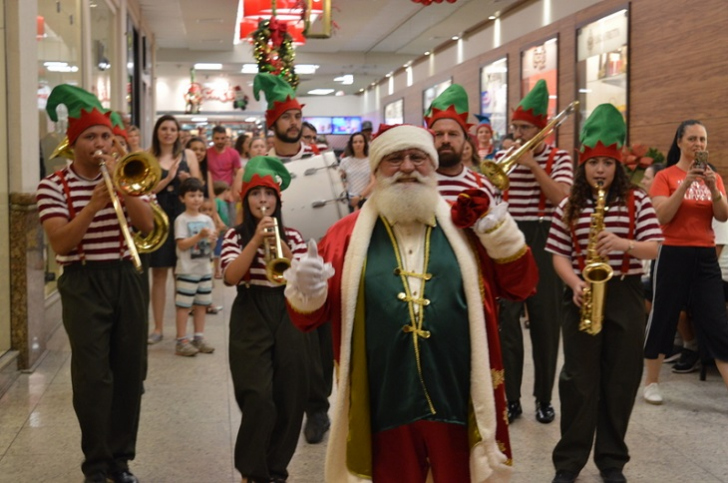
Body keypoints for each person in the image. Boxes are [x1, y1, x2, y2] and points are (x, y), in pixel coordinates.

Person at [283, 124, 539, 482]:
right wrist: (307, 290)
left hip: (458, 394)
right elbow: (308, 319)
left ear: (432, 165)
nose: (407, 167)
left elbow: (521, 287)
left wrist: (503, 237)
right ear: (375, 169)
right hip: (382, 399)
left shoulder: (465, 224)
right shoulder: (344, 235)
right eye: (394, 159)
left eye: (417, 157)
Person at [37, 84, 153, 483]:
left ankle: (121, 461)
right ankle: (96, 463)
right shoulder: (52, 186)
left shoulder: (127, 178)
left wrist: (124, 190)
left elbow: (147, 225)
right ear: (73, 143)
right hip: (83, 280)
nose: (101, 143)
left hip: (126, 276)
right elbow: (61, 242)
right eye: (91, 136)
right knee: (92, 376)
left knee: (128, 372)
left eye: (105, 135)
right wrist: (93, 206)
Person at [544, 104, 663, 483]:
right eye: (593, 163)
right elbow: (558, 254)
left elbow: (655, 247)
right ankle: (568, 463)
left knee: (621, 379)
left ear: (618, 166)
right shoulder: (569, 204)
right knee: (578, 380)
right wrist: (575, 282)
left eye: (607, 164)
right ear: (583, 165)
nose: (599, 171)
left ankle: (611, 461)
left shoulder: (638, 201)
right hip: (581, 294)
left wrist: (624, 243)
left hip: (625, 292)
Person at [221, 156, 310, 483]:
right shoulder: (234, 236)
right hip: (250, 310)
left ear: (277, 200)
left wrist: (278, 242)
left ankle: (276, 471)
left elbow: (298, 276)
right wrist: (256, 239)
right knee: (257, 395)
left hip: (287, 309)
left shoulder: (295, 236)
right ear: (246, 200)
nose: (263, 201)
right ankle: (251, 471)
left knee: (290, 397)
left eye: (268, 195)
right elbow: (230, 277)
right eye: (256, 195)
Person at [494, 79, 573, 424]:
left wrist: (533, 166)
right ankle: (511, 399)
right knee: (507, 323)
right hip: (509, 238)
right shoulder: (501, 158)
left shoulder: (560, 158)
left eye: (525, 127)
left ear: (542, 129)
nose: (519, 134)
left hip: (545, 236)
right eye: (516, 127)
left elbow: (563, 199)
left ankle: (544, 398)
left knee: (545, 322)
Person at [643, 119, 728, 404]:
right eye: (692, 139)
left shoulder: (713, 178)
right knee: (664, 315)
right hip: (672, 253)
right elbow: (662, 216)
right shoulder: (664, 176)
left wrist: (712, 188)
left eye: (702, 140)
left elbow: (723, 215)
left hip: (704, 256)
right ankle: (651, 382)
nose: (698, 145)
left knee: (717, 321)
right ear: (679, 142)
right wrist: (686, 184)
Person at [147, 115, 201, 345]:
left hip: (184, 218)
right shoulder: (148, 156)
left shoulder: (187, 155)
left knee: (183, 274)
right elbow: (145, 190)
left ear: (178, 132)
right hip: (158, 218)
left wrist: (187, 179)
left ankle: (183, 330)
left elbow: (198, 187)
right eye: (164, 128)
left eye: (172, 129)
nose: (168, 133)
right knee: (158, 274)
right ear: (157, 132)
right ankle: (158, 327)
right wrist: (167, 178)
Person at [423, 84, 496, 205]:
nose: (446, 140)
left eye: (453, 134)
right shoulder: (417, 183)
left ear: (465, 139)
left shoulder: (483, 186)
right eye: (439, 134)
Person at [173, 177, 217, 356]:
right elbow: (182, 244)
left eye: (200, 195)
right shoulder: (181, 220)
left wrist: (212, 240)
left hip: (205, 268)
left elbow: (211, 247)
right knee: (184, 305)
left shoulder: (207, 219)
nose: (197, 199)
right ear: (182, 198)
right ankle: (181, 340)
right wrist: (199, 236)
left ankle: (198, 337)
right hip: (187, 269)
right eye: (192, 195)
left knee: (201, 304)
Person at [254, 73, 315, 160]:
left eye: (297, 116)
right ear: (272, 124)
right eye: (286, 117)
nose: (294, 122)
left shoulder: (318, 156)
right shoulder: (264, 166)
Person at [233, 137, 268, 225]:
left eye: (262, 146)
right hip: (246, 210)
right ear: (249, 150)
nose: (259, 149)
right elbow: (236, 195)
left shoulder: (271, 170)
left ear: (266, 150)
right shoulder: (243, 171)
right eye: (255, 147)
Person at [339, 131, 374, 212]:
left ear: (365, 144)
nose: (358, 144)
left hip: (367, 200)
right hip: (350, 200)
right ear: (351, 144)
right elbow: (339, 180)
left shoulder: (371, 161)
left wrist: (359, 197)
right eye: (355, 142)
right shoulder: (345, 162)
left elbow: (373, 182)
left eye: (361, 142)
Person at [207, 125, 242, 202]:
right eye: (217, 138)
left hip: (228, 195)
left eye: (222, 138)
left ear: (226, 138)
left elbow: (238, 175)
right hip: (211, 194)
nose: (220, 141)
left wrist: (233, 192)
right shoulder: (207, 154)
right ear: (212, 139)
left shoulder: (234, 153)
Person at [212, 180, 232, 280]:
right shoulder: (217, 201)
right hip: (219, 230)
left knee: (222, 249)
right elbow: (215, 213)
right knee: (217, 250)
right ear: (225, 191)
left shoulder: (223, 202)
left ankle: (221, 268)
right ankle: (217, 270)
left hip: (223, 230)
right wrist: (220, 223)